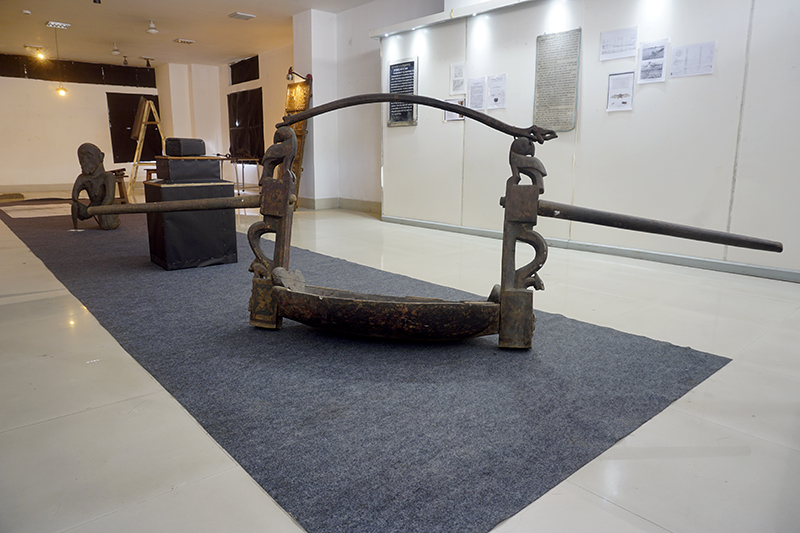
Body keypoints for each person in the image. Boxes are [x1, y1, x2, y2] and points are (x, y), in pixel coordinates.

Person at [71, 143, 120, 230]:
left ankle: (113, 219)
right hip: (93, 207)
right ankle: (76, 226)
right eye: (81, 157)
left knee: (108, 225)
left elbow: (109, 197)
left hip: (106, 207)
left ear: (101, 157)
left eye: (89, 156)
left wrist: (101, 211)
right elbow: (74, 197)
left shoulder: (108, 176)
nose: (84, 160)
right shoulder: (82, 178)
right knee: (75, 206)